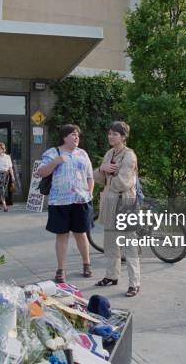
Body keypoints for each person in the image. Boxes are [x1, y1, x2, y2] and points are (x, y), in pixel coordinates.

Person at [37, 124, 94, 283]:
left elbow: (90, 176)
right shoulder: (52, 153)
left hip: (80, 200)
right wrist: (55, 162)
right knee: (62, 235)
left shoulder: (82, 154)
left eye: (78, 135)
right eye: (73, 135)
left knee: (81, 234)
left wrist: (89, 192)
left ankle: (86, 264)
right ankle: (61, 269)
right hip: (59, 202)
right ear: (64, 137)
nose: (77, 137)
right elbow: (41, 172)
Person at [93, 121, 141, 297]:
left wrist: (107, 176)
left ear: (123, 137)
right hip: (110, 202)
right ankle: (111, 276)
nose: (111, 136)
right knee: (110, 242)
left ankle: (134, 283)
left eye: (115, 134)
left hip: (125, 202)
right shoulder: (109, 153)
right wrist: (102, 168)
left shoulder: (129, 156)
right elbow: (97, 176)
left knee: (129, 243)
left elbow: (123, 183)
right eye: (110, 133)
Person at [0, 142, 15, 212]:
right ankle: (5, 206)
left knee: (2, 190)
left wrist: (12, 176)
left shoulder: (7, 157)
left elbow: (10, 168)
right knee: (1, 190)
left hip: (5, 175)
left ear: (3, 149)